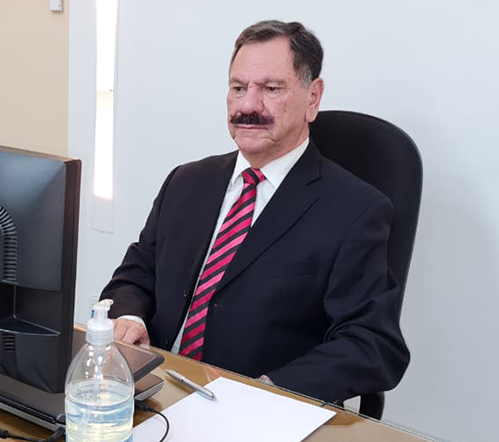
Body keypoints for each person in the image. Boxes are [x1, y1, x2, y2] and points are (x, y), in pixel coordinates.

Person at [100, 20, 409, 402]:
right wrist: (130, 318)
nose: (248, 105)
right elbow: (136, 274)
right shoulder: (186, 181)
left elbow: (373, 345)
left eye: (271, 89)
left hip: (258, 415)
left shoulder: (356, 210)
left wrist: (265, 391)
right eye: (238, 88)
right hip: (156, 394)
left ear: (313, 97)